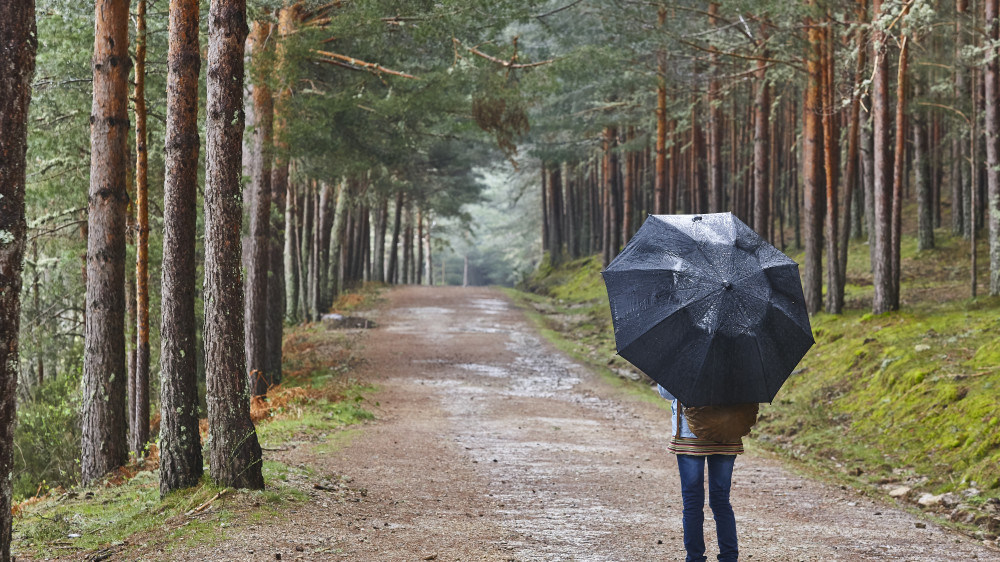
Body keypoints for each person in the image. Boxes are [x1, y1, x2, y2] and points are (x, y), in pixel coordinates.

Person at [658, 384, 741, 562]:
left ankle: (695, 558)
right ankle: (729, 557)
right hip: (727, 429)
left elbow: (666, 393)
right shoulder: (738, 357)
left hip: (689, 432)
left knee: (692, 501)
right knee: (721, 499)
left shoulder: (682, 356)